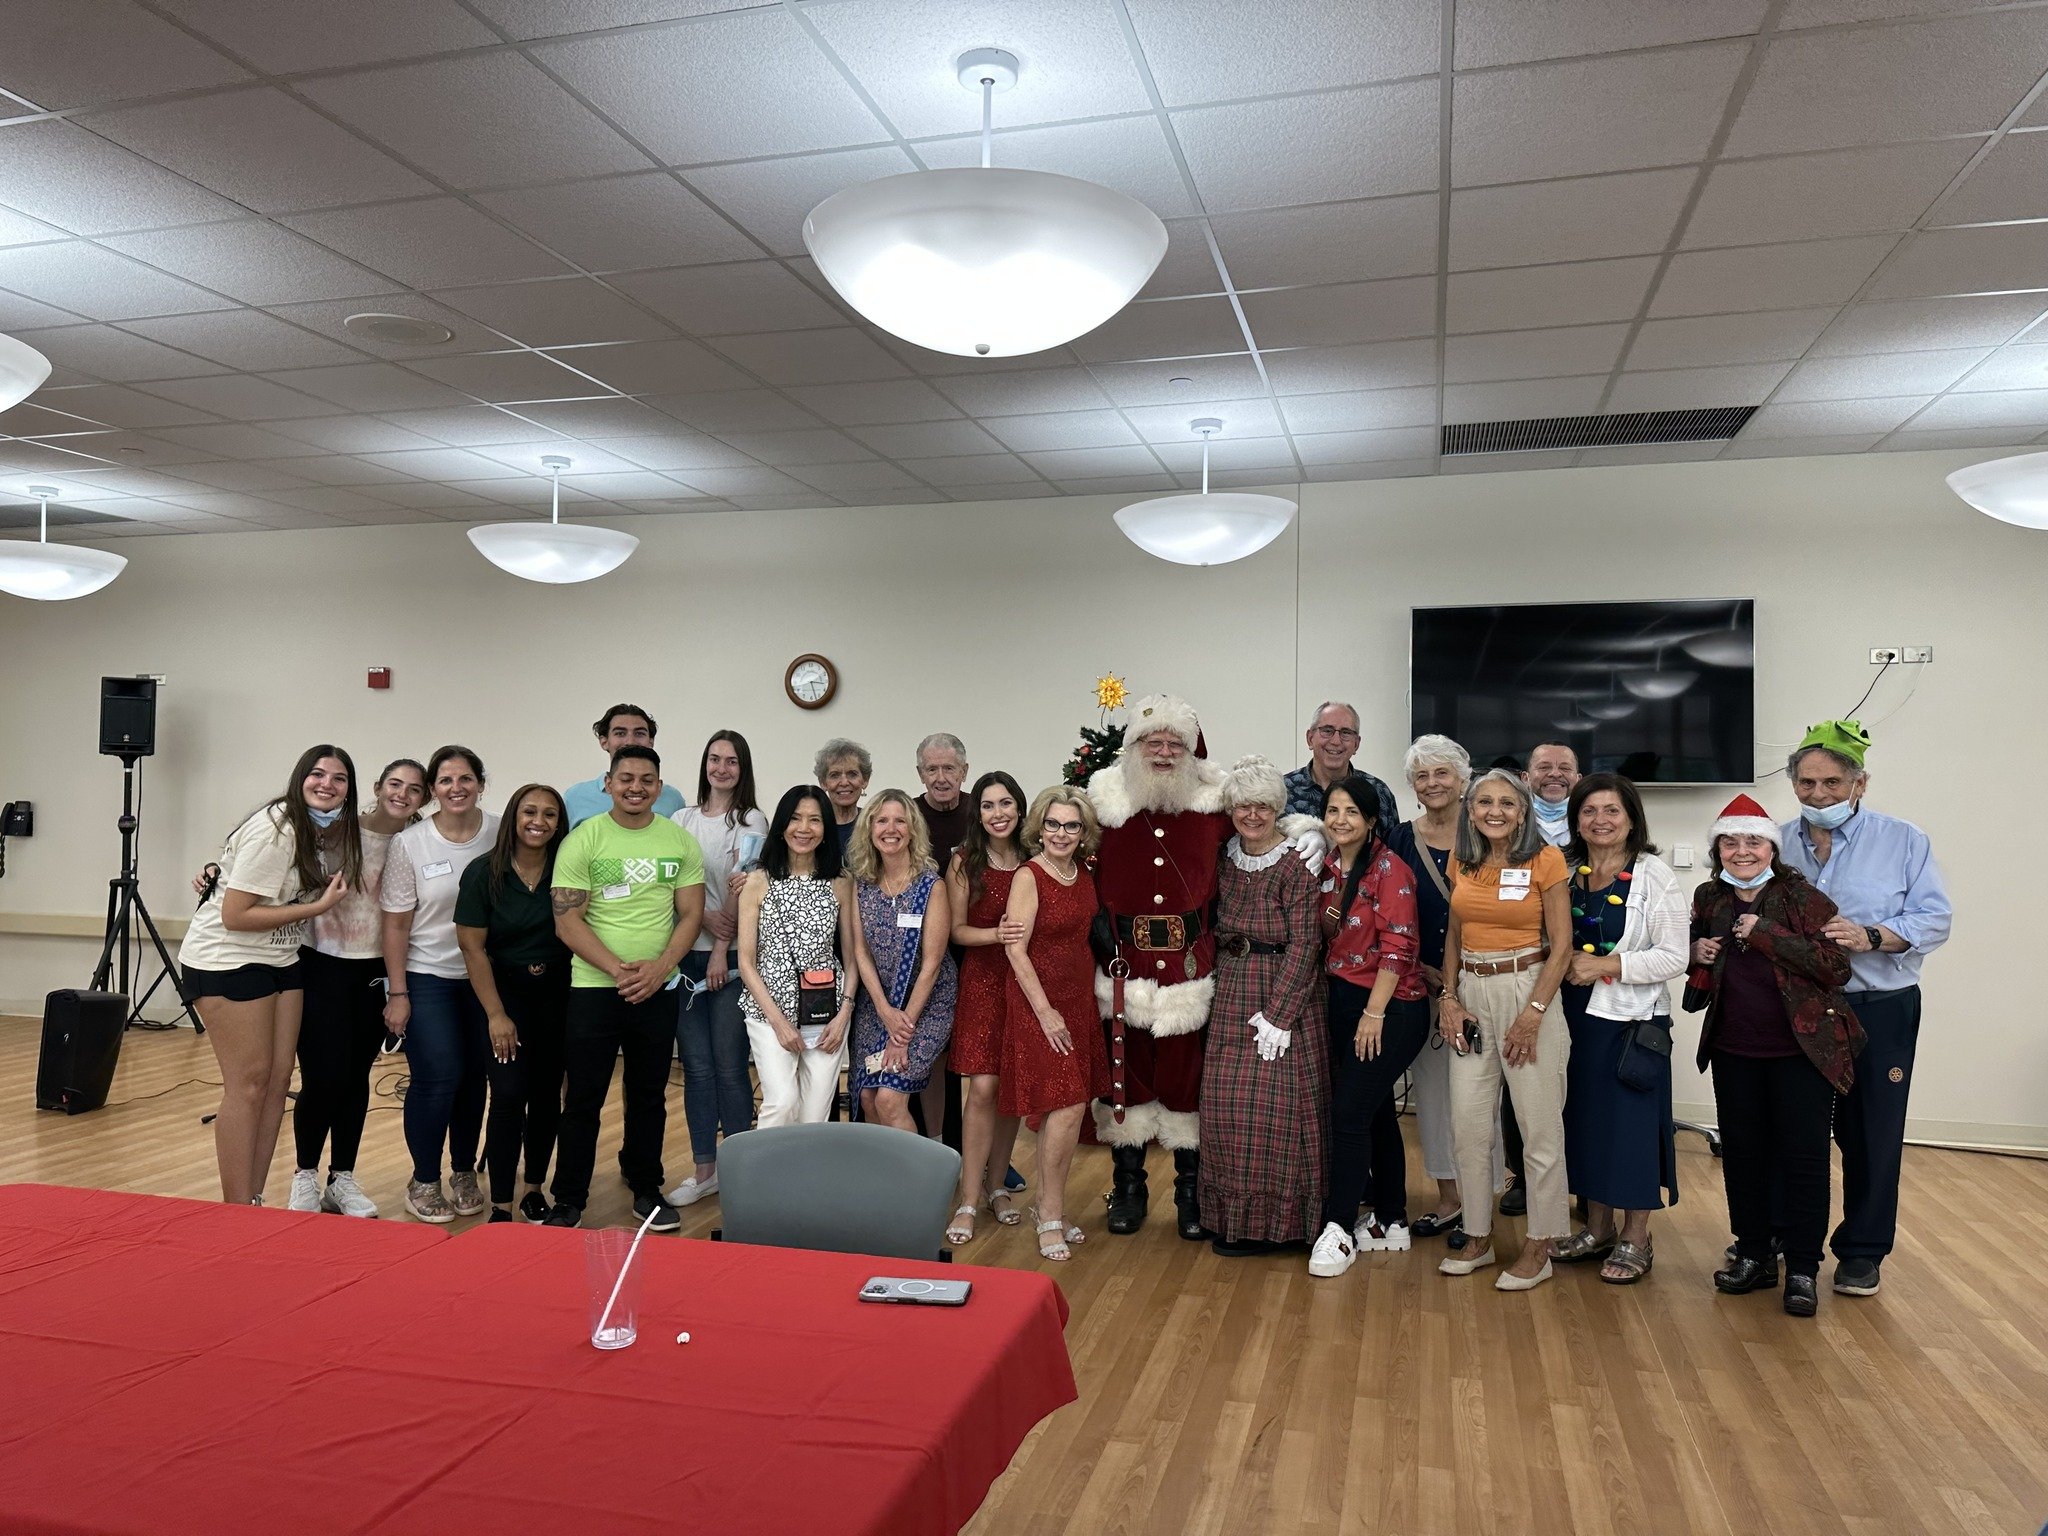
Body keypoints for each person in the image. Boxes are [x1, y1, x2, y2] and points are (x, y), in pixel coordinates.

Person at [1779, 719, 1950, 1299]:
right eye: (1807, 783)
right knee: (1791, 1128)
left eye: (1832, 783)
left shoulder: (1904, 840)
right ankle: (1783, 1235)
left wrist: (1872, 936)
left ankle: (1861, 1251)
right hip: (1798, 1008)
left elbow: (1935, 919)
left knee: (1871, 1132)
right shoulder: (1775, 843)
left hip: (1879, 1006)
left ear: (1860, 783)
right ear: (1793, 784)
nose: (1818, 794)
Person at [1687, 794, 1863, 1318]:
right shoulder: (1709, 896)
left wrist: (1765, 934)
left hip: (1801, 1052)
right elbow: (1697, 957)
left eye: (1753, 841)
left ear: (1772, 849)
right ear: (1717, 849)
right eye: (1730, 842)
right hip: (1733, 1048)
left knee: (1804, 1160)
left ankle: (1804, 1267)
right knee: (1743, 1156)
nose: (1742, 851)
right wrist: (1697, 954)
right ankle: (1754, 1254)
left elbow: (1837, 966)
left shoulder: (1802, 897)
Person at [179, 746, 359, 1205]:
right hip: (228, 960)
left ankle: (254, 1199)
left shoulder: (325, 830)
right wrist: (317, 908)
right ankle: (236, 1208)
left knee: (278, 1082)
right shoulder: (278, 829)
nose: (327, 784)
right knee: (250, 1083)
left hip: (282, 958)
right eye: (317, 774)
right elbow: (236, 915)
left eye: (339, 778)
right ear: (300, 779)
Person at [1087, 694, 1232, 1239]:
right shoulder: (1103, 803)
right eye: (1154, 742)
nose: (1165, 752)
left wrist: (1306, 829)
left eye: (1175, 743)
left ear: (1191, 751)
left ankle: (1190, 1193)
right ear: (1134, 747)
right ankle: (1128, 1187)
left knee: (1185, 1073)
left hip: (1189, 961)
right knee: (1126, 1071)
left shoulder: (1215, 805)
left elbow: (1264, 829)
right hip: (1123, 961)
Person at [546, 745, 705, 1231]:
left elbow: (691, 914)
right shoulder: (583, 839)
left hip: (658, 987)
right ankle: (569, 1197)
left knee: (648, 1094)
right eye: (626, 778)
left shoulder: (679, 840)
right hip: (594, 988)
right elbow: (567, 921)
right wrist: (620, 970)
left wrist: (659, 970)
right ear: (609, 784)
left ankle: (646, 1188)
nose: (636, 787)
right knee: (583, 1097)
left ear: (659, 787)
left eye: (646, 780)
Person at [1436, 769, 1572, 1290]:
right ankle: (1477, 1235)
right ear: (1470, 811)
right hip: (1471, 993)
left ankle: (1541, 1244)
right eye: (1484, 802)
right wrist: (1449, 998)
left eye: (1507, 803)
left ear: (1523, 811)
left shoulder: (1546, 859)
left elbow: (1562, 946)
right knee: (1469, 1126)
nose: (1495, 811)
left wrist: (1533, 1013)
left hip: (1528, 990)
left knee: (1539, 1128)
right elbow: (1455, 933)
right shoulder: (1463, 859)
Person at [1551, 774, 1686, 1284]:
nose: (1600, 820)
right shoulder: (1566, 870)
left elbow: (1674, 955)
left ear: (1631, 818)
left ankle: (1637, 1237)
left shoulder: (1654, 875)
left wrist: (1608, 966)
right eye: (1589, 811)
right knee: (1585, 1124)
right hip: (1571, 1019)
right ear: (1575, 819)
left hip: (1630, 1023)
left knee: (1629, 1130)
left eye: (1612, 810)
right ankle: (1598, 1228)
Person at [1198, 756, 1329, 1258]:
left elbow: (1306, 943)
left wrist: (1280, 1014)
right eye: (1243, 806)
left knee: (1280, 1111)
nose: (1252, 815)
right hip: (1231, 987)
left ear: (1278, 809)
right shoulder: (1224, 857)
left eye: (1263, 806)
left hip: (1284, 989)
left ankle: (1285, 1226)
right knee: (1228, 1109)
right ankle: (1233, 1220)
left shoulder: (1296, 864)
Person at [286, 757, 426, 1217]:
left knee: (354, 1078)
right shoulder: (336, 831)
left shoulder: (415, 842)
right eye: (394, 784)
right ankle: (304, 1174)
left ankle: (341, 1178)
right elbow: (275, 866)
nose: (402, 794)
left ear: (424, 798)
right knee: (322, 1076)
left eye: (414, 788)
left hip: (374, 971)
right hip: (321, 964)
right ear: (378, 786)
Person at [1308, 774, 1429, 1277]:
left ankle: (1338, 1229)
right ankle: (1391, 1218)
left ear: (1373, 819)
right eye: (1333, 811)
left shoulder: (1390, 869)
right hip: (1343, 998)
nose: (1340, 820)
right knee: (1375, 1112)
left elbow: (1399, 948)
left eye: (1351, 812)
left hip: (1390, 1007)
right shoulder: (1327, 865)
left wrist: (1373, 1015)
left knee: (1349, 1114)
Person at [1384, 734, 1498, 1240]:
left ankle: (1483, 1199)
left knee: (1482, 1095)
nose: (1432, 783)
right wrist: (1421, 969)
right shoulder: (1398, 839)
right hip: (1422, 986)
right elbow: (1384, 911)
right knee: (1433, 1095)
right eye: (1422, 775)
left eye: (1442, 773)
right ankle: (1450, 1198)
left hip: (1485, 982)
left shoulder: (1491, 833)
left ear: (1463, 779)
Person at [381, 746, 498, 1224]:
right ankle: (423, 1180)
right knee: (439, 1075)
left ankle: (463, 1172)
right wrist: (397, 992)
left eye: (465, 778)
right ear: (433, 790)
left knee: (473, 1079)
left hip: (485, 977)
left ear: (480, 784)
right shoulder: (410, 843)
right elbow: (395, 924)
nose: (456, 788)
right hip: (428, 975)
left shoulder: (500, 833)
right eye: (446, 780)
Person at [1000, 786, 1110, 1262]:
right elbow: (1015, 949)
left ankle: (1051, 1205)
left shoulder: (1083, 873)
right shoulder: (1030, 875)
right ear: (1039, 828)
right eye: (1052, 824)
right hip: (1039, 1003)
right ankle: (1049, 1214)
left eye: (1071, 826)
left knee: (1067, 1106)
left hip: (1078, 1001)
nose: (1061, 833)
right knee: (1066, 1105)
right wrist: (1045, 1011)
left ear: (1083, 832)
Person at [456, 784, 572, 1224]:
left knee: (546, 1096)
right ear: (513, 817)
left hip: (558, 996)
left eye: (549, 814)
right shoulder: (483, 873)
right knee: (507, 1095)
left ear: (559, 823)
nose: (538, 821)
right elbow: (472, 948)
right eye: (529, 812)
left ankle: (533, 1190)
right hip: (504, 998)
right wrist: (496, 1015)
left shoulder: (568, 870)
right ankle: (501, 1204)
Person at [667, 730, 768, 1208]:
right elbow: (669, 883)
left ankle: (740, 1171)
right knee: (697, 1067)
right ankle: (704, 1169)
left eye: (731, 761)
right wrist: (699, 918)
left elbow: (742, 889)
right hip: (684, 953)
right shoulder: (680, 819)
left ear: (742, 769)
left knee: (730, 1065)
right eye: (714, 759)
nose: (721, 769)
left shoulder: (751, 820)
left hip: (727, 958)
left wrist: (718, 945)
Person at [738, 784, 860, 1127]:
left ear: (826, 829)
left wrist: (844, 1013)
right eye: (795, 818)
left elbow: (851, 957)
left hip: (826, 1013)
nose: (804, 828)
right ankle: (761, 1166)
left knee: (814, 1116)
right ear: (781, 825)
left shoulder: (841, 881)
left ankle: (806, 1167)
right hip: (768, 1012)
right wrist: (779, 1022)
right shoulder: (757, 881)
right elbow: (746, 961)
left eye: (814, 820)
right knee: (781, 1103)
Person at [944, 770, 1028, 1245]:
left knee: (1010, 1087)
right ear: (978, 814)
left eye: (1005, 803)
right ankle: (969, 1197)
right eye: (988, 805)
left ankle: (997, 1186)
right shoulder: (964, 862)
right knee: (982, 1088)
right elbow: (956, 930)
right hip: (983, 982)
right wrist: (996, 934)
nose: (998, 814)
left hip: (1025, 982)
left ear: (1019, 807)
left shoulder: (1035, 858)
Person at [848, 789, 957, 1131]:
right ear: (869, 829)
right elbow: (861, 952)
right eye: (881, 821)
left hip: (926, 1006)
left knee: (889, 1100)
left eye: (900, 821)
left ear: (912, 829)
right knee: (868, 1096)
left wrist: (902, 1031)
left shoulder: (931, 886)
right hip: (878, 1004)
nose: (890, 829)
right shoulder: (862, 884)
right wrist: (884, 1011)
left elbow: (932, 965)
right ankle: (883, 1166)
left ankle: (922, 1168)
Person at [913, 731, 972, 1147]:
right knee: (930, 1051)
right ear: (920, 773)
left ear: (964, 771)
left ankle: (979, 1152)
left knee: (970, 1056)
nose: (940, 777)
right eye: (931, 769)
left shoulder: (980, 812)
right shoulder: (908, 815)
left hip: (974, 946)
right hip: (919, 952)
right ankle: (933, 1144)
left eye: (948, 768)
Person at [1282, 701, 1398, 836]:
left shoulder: (1378, 791)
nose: (1336, 741)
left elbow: (1392, 846)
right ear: (1310, 738)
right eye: (1327, 731)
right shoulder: (1282, 791)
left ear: (1356, 744)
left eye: (1346, 733)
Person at [563, 704, 683, 828]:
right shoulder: (576, 797)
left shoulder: (672, 799)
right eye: (620, 733)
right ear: (604, 742)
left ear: (651, 741)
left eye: (639, 733)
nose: (630, 741)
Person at [815, 738, 871, 860]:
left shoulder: (873, 825)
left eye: (852, 774)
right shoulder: (813, 826)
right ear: (823, 782)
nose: (844, 782)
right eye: (834, 775)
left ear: (865, 780)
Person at [1527, 740, 1581, 849]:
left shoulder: (1591, 822)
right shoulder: (1512, 821)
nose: (1555, 774)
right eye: (1544, 767)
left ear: (1578, 779)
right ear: (1525, 778)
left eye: (1565, 768)